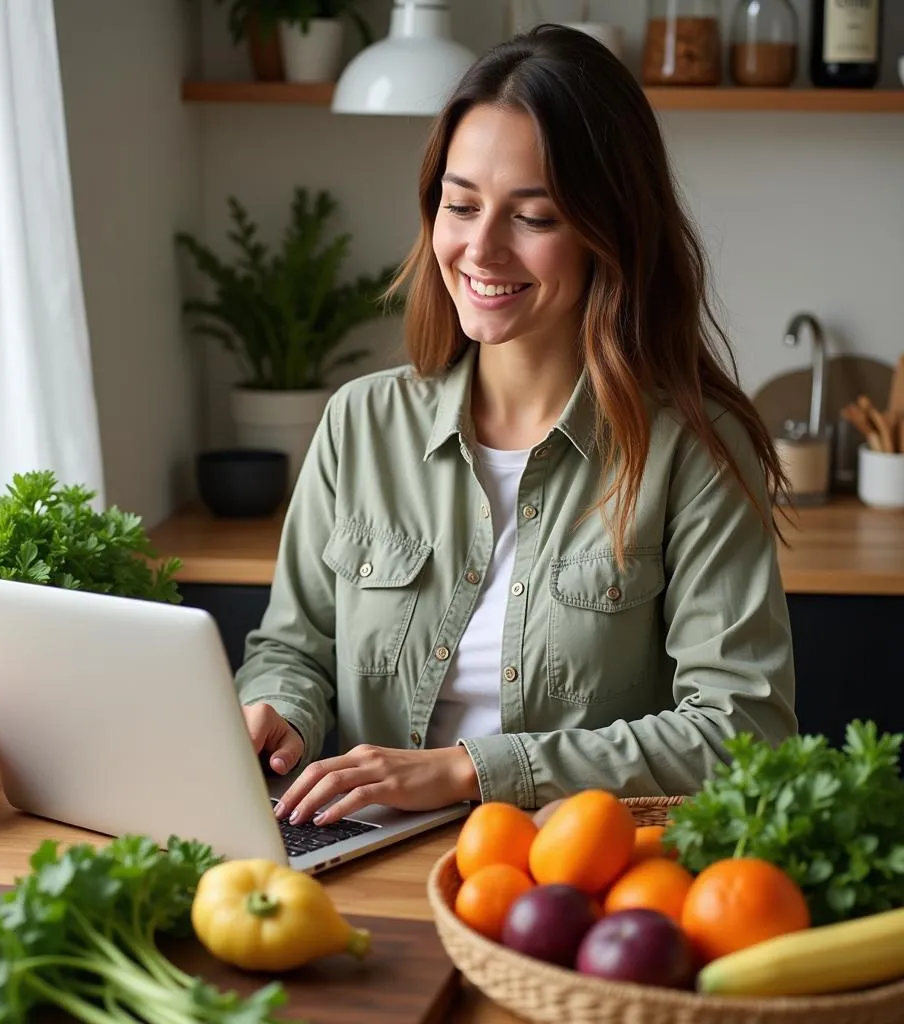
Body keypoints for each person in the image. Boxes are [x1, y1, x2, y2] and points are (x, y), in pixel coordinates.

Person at [236, 25, 796, 828]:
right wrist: (279, 710)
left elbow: (743, 733)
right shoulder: (359, 423)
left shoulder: (693, 450)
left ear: (612, 233)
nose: (481, 250)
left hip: (565, 877)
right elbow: (294, 648)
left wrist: (471, 772)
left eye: (533, 218)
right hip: (356, 859)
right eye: (461, 206)